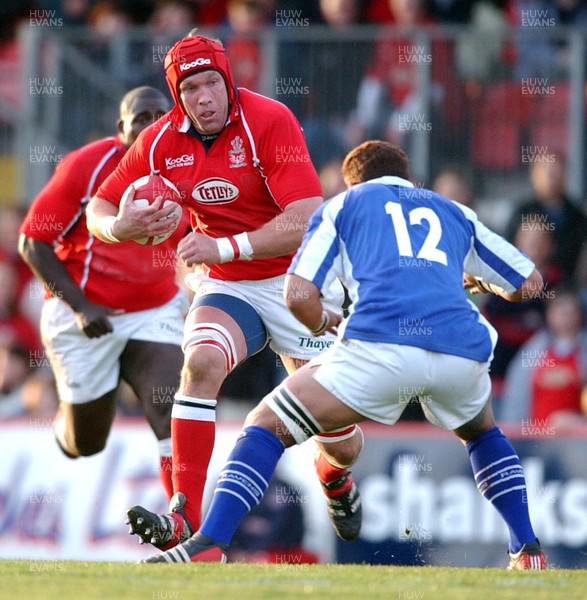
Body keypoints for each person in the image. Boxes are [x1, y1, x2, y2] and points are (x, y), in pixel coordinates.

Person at [146, 140, 548, 571]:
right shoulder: (452, 210)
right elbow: (529, 282)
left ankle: (210, 542)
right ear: (407, 177)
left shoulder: (344, 206)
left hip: (382, 347)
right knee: (482, 433)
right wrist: (480, 284)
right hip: (461, 350)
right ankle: (527, 550)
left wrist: (321, 322)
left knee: (265, 425)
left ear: (352, 181)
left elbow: (298, 293)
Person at [85, 32, 363, 557]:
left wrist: (223, 247)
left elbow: (307, 218)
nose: (205, 96)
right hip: (229, 285)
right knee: (201, 364)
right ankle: (184, 513)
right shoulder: (161, 140)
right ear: (177, 94)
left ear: (228, 80)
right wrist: (119, 227)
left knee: (342, 438)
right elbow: (96, 209)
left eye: (213, 81)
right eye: (191, 87)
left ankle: (333, 475)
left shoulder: (269, 121)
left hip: (298, 283)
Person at [18, 86, 187, 502]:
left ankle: (183, 520)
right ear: (121, 128)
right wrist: (80, 306)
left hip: (155, 309)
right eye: (140, 119)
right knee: (87, 444)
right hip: (87, 313)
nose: (151, 127)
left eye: (159, 117)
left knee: (173, 411)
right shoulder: (86, 166)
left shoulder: (188, 165)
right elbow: (32, 242)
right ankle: (68, 424)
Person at [501, 288, 587, 425]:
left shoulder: (583, 351)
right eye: (561, 313)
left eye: (571, 313)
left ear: (580, 315)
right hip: (536, 441)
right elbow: (516, 396)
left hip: (577, 441)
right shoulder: (533, 350)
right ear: (549, 315)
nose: (566, 319)